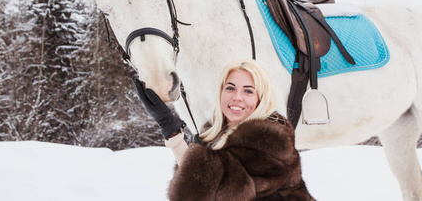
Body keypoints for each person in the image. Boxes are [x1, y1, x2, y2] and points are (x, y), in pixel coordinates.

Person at [133, 59, 315, 200]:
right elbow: (202, 179)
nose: (237, 97)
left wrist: (171, 129)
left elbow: (211, 190)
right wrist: (173, 132)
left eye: (248, 91)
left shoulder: (271, 143)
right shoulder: (215, 137)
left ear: (261, 98)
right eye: (230, 88)